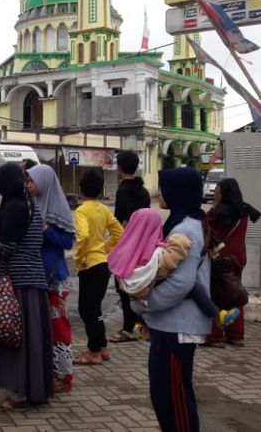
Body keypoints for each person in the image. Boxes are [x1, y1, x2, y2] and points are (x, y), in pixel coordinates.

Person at [132, 168, 212, 432]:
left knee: (173, 398)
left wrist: (145, 303)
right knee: (165, 394)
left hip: (177, 327)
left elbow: (181, 283)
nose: (161, 192)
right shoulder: (183, 221)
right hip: (170, 325)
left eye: (165, 187)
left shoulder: (186, 227)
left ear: (179, 191)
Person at [0, 162, 53, 410]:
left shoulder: (14, 207)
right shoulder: (29, 204)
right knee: (30, 341)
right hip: (32, 280)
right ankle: (32, 390)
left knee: (17, 340)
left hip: (18, 282)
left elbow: (9, 247)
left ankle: (19, 395)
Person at [109, 208, 239, 332]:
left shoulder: (125, 250)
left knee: (139, 302)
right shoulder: (154, 250)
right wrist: (179, 244)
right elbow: (163, 267)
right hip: (153, 291)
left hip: (136, 293)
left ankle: (143, 327)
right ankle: (217, 315)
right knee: (194, 287)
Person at [26, 164, 75, 394]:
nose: (28, 185)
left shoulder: (58, 209)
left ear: (44, 183)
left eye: (32, 181)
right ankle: (47, 374)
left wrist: (46, 229)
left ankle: (64, 377)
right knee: (43, 330)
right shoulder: (33, 205)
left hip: (56, 277)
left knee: (59, 329)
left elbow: (67, 242)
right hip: (38, 275)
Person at [72, 170, 123, 365]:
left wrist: (79, 257)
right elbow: (119, 232)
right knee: (95, 309)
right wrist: (104, 248)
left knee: (87, 310)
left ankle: (94, 352)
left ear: (80, 190)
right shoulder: (103, 209)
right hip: (103, 264)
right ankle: (102, 347)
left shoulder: (82, 210)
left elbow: (83, 236)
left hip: (90, 266)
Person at [205, 178, 261, 348]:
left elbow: (207, 224)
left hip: (222, 258)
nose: (216, 194)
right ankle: (236, 335)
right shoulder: (244, 209)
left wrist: (213, 206)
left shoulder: (220, 211)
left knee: (218, 295)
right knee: (235, 293)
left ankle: (215, 336)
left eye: (218, 191)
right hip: (239, 258)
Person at [109, 150, 152, 344]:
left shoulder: (123, 190)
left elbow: (123, 221)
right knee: (140, 284)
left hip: (128, 244)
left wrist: (120, 247)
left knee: (124, 286)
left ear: (119, 168)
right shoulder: (142, 191)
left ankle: (128, 329)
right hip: (144, 244)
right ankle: (140, 325)